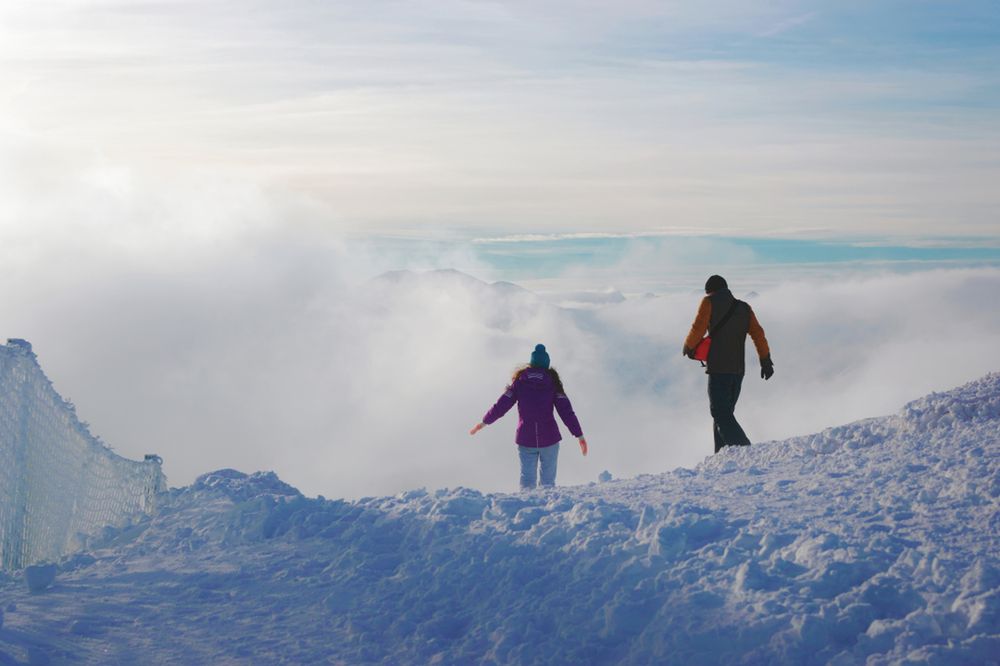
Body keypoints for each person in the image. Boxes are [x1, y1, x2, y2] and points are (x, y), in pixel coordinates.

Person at [470, 344, 587, 490]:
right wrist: (579, 435)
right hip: (550, 440)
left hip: (526, 439)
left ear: (531, 362)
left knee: (527, 482)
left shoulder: (519, 383)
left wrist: (484, 422)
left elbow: (501, 405)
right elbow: (566, 412)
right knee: (548, 483)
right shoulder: (553, 383)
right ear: (546, 364)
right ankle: (548, 509)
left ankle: (527, 509)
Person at [682, 275, 774, 453]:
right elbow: (758, 334)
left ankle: (745, 449)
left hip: (718, 368)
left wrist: (688, 345)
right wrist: (765, 360)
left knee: (719, 413)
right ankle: (722, 456)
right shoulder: (744, 308)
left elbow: (698, 327)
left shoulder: (708, 302)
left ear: (711, 290)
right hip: (738, 371)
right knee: (725, 415)